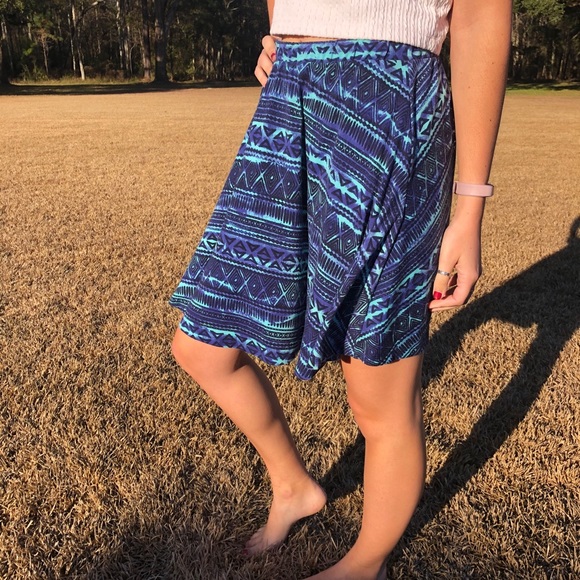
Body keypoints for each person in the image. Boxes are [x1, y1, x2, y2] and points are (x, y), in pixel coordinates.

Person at [169, 0, 512, 578]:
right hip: (290, 97)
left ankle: (366, 564)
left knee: (378, 390)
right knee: (202, 347)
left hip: (391, 107)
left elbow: (481, 17)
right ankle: (294, 486)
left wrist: (470, 206)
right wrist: (282, 30)